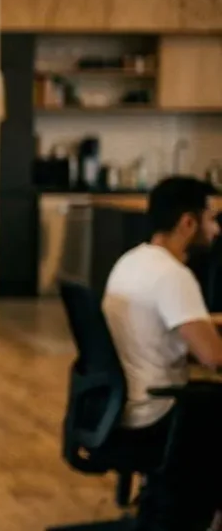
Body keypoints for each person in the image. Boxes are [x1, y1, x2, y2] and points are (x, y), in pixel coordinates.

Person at [102, 176, 222, 530]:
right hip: (159, 412)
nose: (215, 230)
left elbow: (159, 340)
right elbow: (214, 356)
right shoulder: (173, 276)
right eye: (211, 218)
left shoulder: (131, 262)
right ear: (188, 222)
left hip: (124, 404)